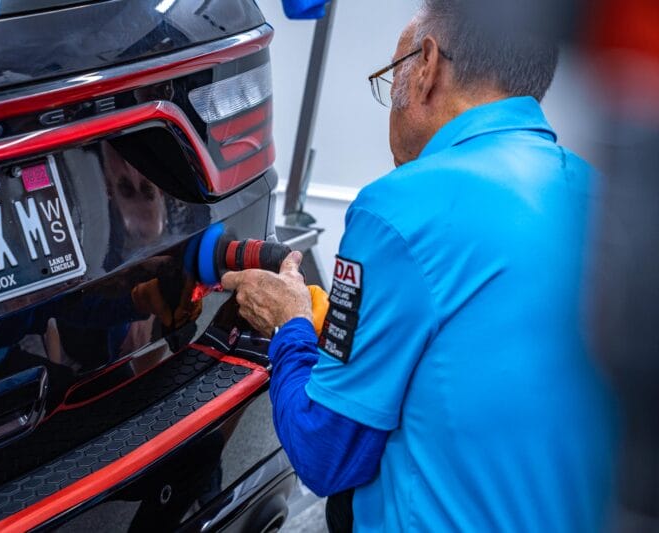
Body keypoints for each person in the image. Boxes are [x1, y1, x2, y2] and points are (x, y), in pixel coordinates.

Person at [221, 1, 617, 531]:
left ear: (427, 65)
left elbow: (324, 454)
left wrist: (290, 327)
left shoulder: (396, 210)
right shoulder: (602, 196)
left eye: (391, 76)